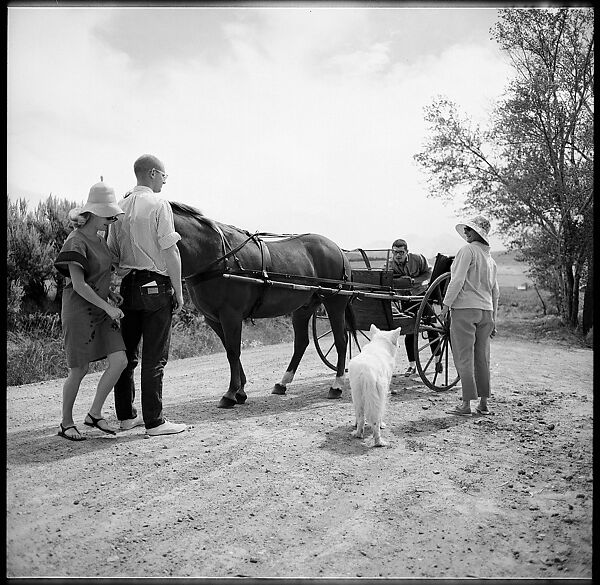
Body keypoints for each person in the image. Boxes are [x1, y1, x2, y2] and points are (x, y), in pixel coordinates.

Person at [107, 154, 187, 436]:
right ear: (152, 173)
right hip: (155, 286)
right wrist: (178, 290)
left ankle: (126, 417)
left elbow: (112, 256)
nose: (165, 180)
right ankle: (155, 422)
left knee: (128, 355)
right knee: (154, 357)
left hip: (128, 287)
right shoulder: (159, 204)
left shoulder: (118, 208)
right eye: (164, 175)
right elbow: (171, 250)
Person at [54, 182, 128, 441]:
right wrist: (108, 307)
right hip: (79, 309)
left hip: (102, 307)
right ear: (94, 212)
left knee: (120, 360)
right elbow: (79, 284)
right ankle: (66, 423)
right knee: (79, 369)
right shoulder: (75, 240)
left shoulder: (100, 240)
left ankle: (94, 414)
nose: (111, 220)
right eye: (108, 216)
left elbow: (98, 277)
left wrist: (110, 295)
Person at [441, 215, 499, 416]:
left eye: (468, 229)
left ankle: (465, 405)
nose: (465, 232)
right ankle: (483, 403)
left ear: (476, 233)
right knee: (482, 357)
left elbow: (456, 281)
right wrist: (494, 319)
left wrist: (445, 305)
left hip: (465, 310)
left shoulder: (467, 251)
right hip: (486, 312)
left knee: (464, 357)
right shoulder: (491, 260)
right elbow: (495, 292)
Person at [389, 238, 432, 377]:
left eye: (401, 252)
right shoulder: (389, 265)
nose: (398, 255)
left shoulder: (418, 259)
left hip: (421, 296)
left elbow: (428, 273)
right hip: (405, 299)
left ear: (407, 251)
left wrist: (414, 281)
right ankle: (412, 365)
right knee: (409, 332)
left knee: (431, 327)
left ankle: (437, 360)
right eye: (395, 252)